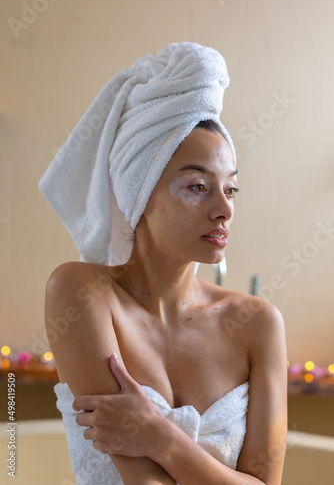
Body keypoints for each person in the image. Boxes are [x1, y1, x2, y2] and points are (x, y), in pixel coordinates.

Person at [39, 42, 287, 485]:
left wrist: (158, 437)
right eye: (197, 187)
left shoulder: (258, 323)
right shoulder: (80, 292)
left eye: (230, 189)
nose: (224, 210)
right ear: (141, 193)